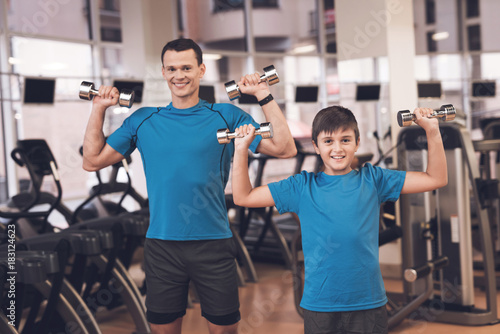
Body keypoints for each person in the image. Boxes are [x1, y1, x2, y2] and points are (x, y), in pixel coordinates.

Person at [82, 38, 296, 334]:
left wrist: (262, 93)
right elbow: (92, 161)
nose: (178, 75)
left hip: (213, 242)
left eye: (186, 67)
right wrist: (98, 108)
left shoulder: (226, 115)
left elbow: (286, 149)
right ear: (163, 72)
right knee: (163, 330)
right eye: (172, 68)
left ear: (201, 70)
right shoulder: (143, 120)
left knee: (224, 330)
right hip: (162, 245)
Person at [231, 105, 447, 334]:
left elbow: (436, 178)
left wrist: (432, 131)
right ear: (315, 146)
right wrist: (241, 148)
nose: (337, 148)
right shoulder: (301, 186)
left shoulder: (374, 179)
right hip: (320, 306)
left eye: (345, 140)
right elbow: (243, 197)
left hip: (368, 303)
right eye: (328, 141)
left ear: (357, 142)